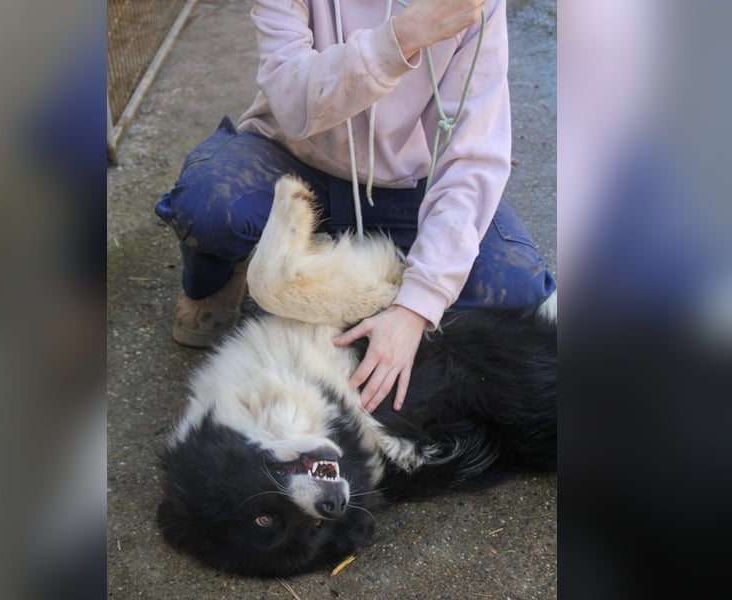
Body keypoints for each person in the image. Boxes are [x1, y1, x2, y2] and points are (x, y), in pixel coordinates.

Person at [155, 0, 555, 414]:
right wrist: (403, 38)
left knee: (516, 291)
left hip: (407, 181)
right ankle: (217, 278)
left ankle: (391, 295)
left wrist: (415, 307)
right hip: (293, 156)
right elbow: (292, 103)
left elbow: (473, 158)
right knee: (207, 205)